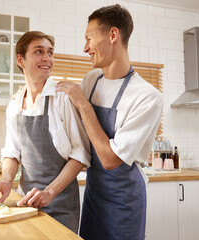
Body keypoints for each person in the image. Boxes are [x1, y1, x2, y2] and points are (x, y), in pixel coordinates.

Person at [56, 4, 163, 240]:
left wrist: (84, 105)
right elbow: (69, 126)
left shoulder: (147, 96)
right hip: (95, 193)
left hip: (124, 198)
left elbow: (110, 159)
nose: (85, 48)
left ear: (113, 35)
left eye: (89, 39)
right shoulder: (91, 80)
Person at [0, 31, 90, 233]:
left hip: (61, 205)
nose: (47, 59)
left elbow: (80, 154)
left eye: (50, 53)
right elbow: (11, 153)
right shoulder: (14, 105)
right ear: (20, 59)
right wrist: (6, 180)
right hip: (26, 204)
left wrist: (49, 192)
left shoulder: (61, 98)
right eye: (39, 52)